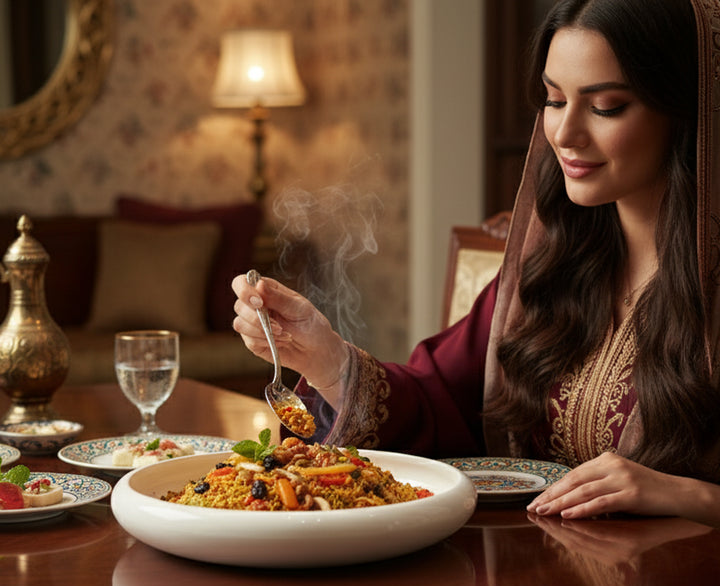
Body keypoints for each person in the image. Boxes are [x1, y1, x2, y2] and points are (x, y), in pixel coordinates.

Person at [233, 0, 720, 526]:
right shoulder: (550, 266)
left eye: (604, 107)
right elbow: (440, 402)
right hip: (530, 581)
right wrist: (325, 360)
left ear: (690, 111)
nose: (565, 133)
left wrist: (692, 497)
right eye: (554, 100)